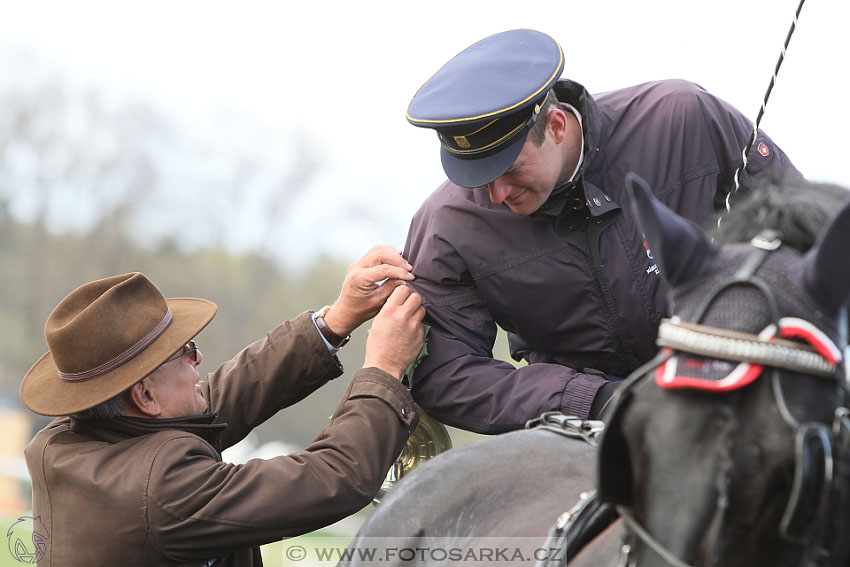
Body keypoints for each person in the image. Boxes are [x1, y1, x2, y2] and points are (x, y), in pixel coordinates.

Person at [402, 29, 802, 434]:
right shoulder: (446, 225)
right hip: (577, 435)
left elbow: (804, 242)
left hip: (743, 403)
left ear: (556, 126)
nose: (496, 193)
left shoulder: (685, 120)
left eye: (509, 170)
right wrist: (593, 400)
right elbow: (443, 373)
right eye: (476, 178)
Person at [20, 246, 425, 566]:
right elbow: (332, 478)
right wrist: (384, 370)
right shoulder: (163, 490)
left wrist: (335, 321)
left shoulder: (65, 440)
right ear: (144, 396)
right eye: (185, 352)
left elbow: (218, 400)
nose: (198, 360)